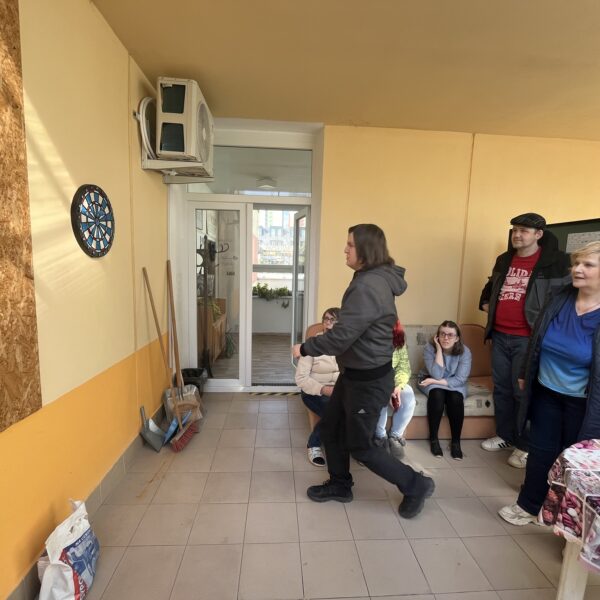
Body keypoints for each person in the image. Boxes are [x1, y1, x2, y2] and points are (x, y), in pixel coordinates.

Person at [292, 224, 435, 520]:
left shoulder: (369, 285)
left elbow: (341, 337)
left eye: (350, 245)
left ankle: (416, 484)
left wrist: (305, 348)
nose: (345, 250)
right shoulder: (369, 278)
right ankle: (340, 485)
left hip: (367, 381)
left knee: (361, 446)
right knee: (332, 429)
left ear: (366, 250)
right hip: (354, 375)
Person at [499, 241, 600, 525]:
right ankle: (529, 506)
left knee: (572, 460)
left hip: (583, 403)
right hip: (546, 392)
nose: (577, 269)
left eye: (587, 265)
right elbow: (536, 339)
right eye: (576, 263)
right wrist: (525, 372)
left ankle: (564, 518)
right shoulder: (560, 297)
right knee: (540, 453)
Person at [479, 213, 570, 469]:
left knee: (524, 392)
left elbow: (564, 298)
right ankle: (506, 436)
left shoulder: (555, 262)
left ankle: (526, 445)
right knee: (502, 389)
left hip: (528, 339)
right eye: (515, 230)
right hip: (499, 335)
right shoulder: (504, 259)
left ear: (538, 234)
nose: (517, 235)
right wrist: (486, 303)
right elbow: (491, 286)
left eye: (524, 231)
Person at [418, 321, 472, 460]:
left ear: (457, 338)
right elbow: (436, 374)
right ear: (437, 336)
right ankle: (434, 439)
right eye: (442, 334)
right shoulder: (429, 348)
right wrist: (438, 349)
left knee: (455, 398)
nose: (446, 338)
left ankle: (456, 442)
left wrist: (436, 382)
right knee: (437, 394)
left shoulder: (465, 352)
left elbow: (460, 379)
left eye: (450, 335)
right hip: (429, 378)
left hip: (450, 382)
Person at [295, 307, 341, 466]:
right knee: (333, 412)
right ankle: (313, 444)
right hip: (315, 391)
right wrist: (325, 390)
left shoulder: (346, 345)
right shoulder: (312, 345)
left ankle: (357, 445)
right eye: (326, 318)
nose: (328, 322)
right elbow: (301, 379)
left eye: (333, 319)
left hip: (341, 390)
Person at [374, 319, 416, 460]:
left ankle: (395, 436)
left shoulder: (398, 341)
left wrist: (397, 386)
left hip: (393, 380)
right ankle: (380, 437)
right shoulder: (370, 340)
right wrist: (387, 387)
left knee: (408, 394)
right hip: (374, 380)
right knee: (380, 395)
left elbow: (403, 367)